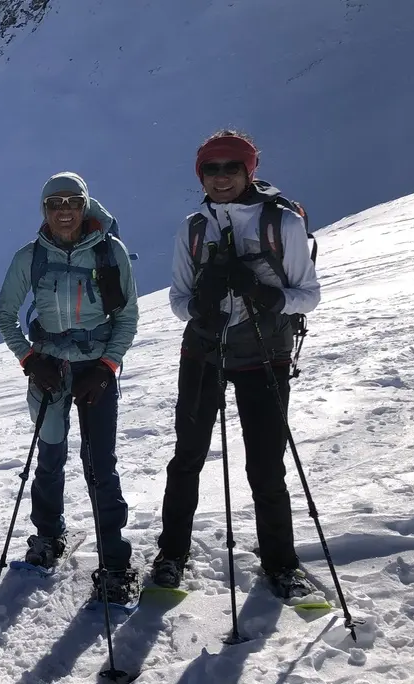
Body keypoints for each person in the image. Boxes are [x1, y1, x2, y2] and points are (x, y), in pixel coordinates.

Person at [154, 130, 321, 599]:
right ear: (200, 175)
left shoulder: (282, 223)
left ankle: (281, 563)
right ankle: (171, 554)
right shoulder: (192, 229)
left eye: (232, 167)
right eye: (211, 169)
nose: (221, 177)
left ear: (250, 171)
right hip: (204, 352)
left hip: (264, 354)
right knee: (187, 457)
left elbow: (309, 295)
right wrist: (199, 308)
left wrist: (265, 295)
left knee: (266, 465)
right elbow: (178, 299)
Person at [0, 171, 140, 603]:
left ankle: (115, 562)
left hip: (95, 368)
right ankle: (47, 535)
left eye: (72, 202)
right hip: (50, 368)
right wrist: (29, 360)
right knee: (50, 455)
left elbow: (127, 316)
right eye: (54, 203)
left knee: (99, 465)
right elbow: (5, 313)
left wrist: (106, 367)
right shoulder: (30, 257)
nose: (64, 210)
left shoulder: (110, 252)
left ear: (85, 205)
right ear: (44, 209)